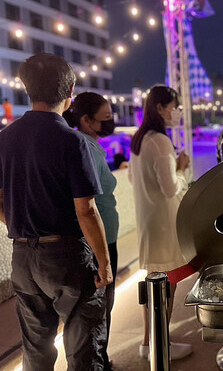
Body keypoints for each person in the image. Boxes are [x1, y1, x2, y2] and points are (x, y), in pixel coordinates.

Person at [0, 53, 112, 370]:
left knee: (35, 351)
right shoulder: (72, 141)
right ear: (70, 91)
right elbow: (86, 211)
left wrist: (25, 227)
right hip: (66, 257)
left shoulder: (4, 138)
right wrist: (103, 262)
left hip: (23, 257)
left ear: (26, 88)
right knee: (83, 350)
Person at [129, 85, 193, 361]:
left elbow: (134, 180)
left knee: (153, 282)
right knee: (169, 282)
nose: (178, 112)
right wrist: (181, 166)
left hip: (148, 222)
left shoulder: (140, 139)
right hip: (165, 224)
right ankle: (159, 342)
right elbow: (171, 188)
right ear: (159, 108)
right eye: (174, 106)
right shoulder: (161, 142)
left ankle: (149, 340)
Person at [63, 92, 119, 371]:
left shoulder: (93, 145)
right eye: (106, 118)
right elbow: (86, 206)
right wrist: (103, 258)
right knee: (98, 310)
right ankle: (100, 363)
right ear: (86, 120)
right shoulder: (83, 146)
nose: (111, 123)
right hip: (100, 240)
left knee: (102, 309)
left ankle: (101, 359)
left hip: (106, 236)